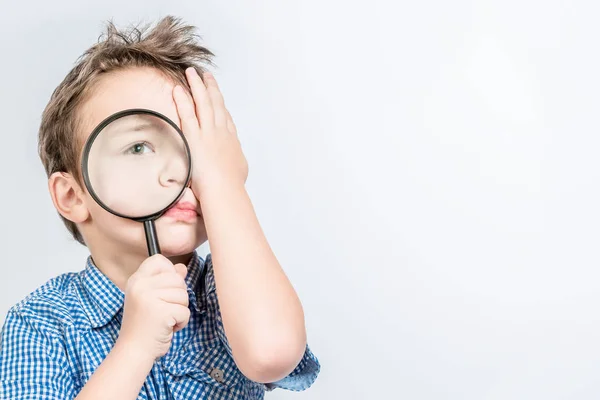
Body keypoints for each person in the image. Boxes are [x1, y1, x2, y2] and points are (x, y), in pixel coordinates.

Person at [0, 15, 320, 399]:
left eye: (196, 148)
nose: (181, 172)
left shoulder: (229, 290)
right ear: (73, 196)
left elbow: (272, 353)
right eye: (139, 147)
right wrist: (134, 348)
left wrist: (223, 183)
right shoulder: (40, 323)